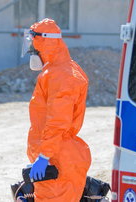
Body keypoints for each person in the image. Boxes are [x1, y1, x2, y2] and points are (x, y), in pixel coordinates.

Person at [23, 19, 92, 201]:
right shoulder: (59, 71)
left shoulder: (61, 75)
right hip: (55, 156)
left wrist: (45, 155)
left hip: (57, 158)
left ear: (44, 42)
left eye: (33, 44)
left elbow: (58, 121)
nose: (32, 50)